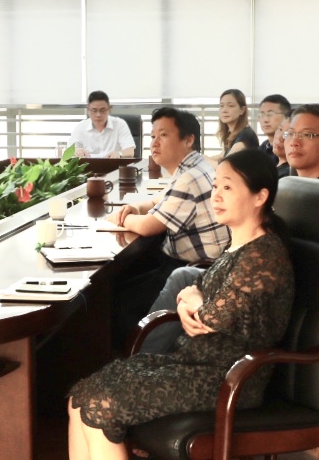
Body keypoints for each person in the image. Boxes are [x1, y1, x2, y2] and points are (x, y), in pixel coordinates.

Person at [33, 150, 295, 460]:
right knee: (80, 396)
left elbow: (211, 317)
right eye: (216, 185)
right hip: (197, 363)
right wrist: (192, 297)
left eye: (228, 187)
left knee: (99, 406)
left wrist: (195, 300)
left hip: (230, 378)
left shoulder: (264, 257)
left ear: (260, 196)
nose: (216, 195)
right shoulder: (240, 244)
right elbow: (200, 298)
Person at [109, 108, 229, 343]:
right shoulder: (193, 166)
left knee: (115, 301)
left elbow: (148, 227)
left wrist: (118, 217)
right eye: (153, 136)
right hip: (187, 264)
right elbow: (159, 200)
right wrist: (134, 207)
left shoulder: (189, 177)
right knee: (121, 283)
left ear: (188, 140)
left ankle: (135, 355)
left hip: (191, 272)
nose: (154, 143)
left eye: (163, 135)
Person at [69, 90, 135, 158]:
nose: (98, 115)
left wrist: (119, 154)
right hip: (89, 164)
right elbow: (69, 149)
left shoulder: (120, 124)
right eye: (94, 110)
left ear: (109, 109)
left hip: (113, 163)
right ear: (88, 109)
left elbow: (130, 151)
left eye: (102, 110)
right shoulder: (81, 126)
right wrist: (77, 150)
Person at [215, 89, 258, 159]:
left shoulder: (245, 135)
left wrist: (202, 161)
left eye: (230, 106)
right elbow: (221, 156)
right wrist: (203, 158)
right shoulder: (231, 133)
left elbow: (227, 162)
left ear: (242, 110)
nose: (224, 110)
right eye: (221, 106)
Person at [257, 94, 291, 165]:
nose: (265, 120)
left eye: (270, 114)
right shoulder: (262, 148)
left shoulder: (289, 149)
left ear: (286, 116)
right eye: (262, 114)